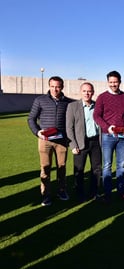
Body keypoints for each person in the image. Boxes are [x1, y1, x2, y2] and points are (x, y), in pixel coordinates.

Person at [28, 76, 73, 206]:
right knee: (45, 168)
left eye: (58, 86)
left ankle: (62, 190)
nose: (55, 89)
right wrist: (37, 132)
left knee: (62, 167)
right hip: (45, 140)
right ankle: (46, 194)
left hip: (62, 141)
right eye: (52, 86)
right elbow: (31, 119)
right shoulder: (40, 100)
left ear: (62, 87)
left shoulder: (68, 102)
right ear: (49, 86)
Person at [93, 71, 124, 203]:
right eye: (111, 82)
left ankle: (121, 192)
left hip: (123, 136)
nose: (113, 84)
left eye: (115, 82)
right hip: (107, 136)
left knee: (121, 165)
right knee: (107, 165)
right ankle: (107, 193)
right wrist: (106, 127)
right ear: (107, 82)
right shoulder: (102, 97)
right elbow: (96, 116)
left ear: (120, 81)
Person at [66, 82, 101, 202]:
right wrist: (73, 145)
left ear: (93, 92)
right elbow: (69, 128)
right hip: (80, 143)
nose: (87, 93)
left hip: (96, 142)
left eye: (89, 91)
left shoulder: (97, 106)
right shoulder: (72, 106)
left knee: (96, 169)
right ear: (80, 92)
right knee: (79, 170)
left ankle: (94, 192)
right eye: (85, 91)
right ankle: (80, 193)